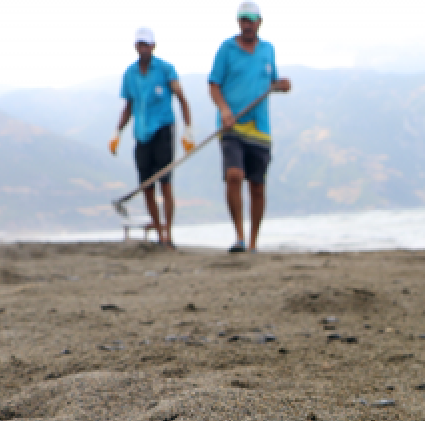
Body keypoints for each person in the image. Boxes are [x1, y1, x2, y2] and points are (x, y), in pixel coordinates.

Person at [208, 1, 291, 253]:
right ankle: (239, 236)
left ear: (259, 23)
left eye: (251, 20)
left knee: (257, 185)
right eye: (243, 20)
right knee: (234, 175)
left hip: (260, 128)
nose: (247, 24)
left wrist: (281, 85)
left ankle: (254, 242)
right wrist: (224, 110)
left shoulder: (268, 50)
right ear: (238, 22)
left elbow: (270, 83)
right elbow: (214, 84)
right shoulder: (226, 49)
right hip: (232, 125)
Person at [110, 28, 194, 248]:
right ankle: (158, 231)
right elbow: (128, 106)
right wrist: (117, 132)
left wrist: (188, 130)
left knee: (165, 182)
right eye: (140, 44)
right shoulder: (130, 74)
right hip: (141, 134)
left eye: (146, 44)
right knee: (147, 186)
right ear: (135, 46)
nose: (143, 48)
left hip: (163, 130)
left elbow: (182, 99)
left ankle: (168, 234)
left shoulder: (166, 69)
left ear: (153, 46)